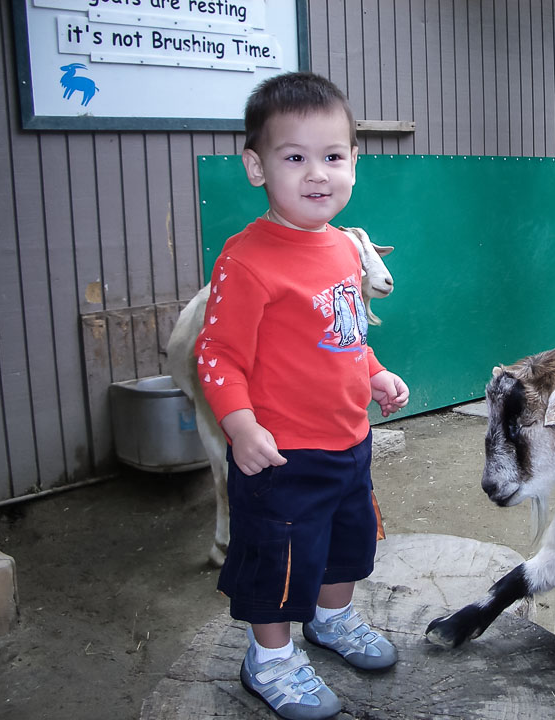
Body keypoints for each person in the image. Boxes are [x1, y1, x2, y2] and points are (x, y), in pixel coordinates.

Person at [197, 71, 410, 720]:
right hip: (280, 457)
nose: (318, 174)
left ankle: (332, 620)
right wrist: (241, 426)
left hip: (349, 443)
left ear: (354, 163)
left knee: (346, 546)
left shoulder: (345, 248)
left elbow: (344, 335)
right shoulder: (246, 260)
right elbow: (217, 356)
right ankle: (270, 660)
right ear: (256, 167)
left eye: (333, 156)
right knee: (277, 563)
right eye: (295, 158)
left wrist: (373, 373)